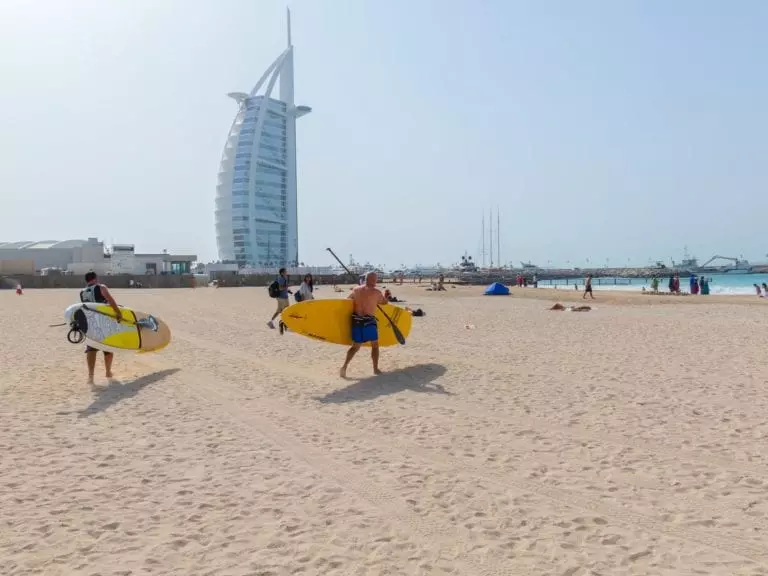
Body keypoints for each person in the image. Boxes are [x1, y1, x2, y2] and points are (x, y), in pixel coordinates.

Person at [340, 271, 388, 378]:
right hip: (369, 322)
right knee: (375, 346)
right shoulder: (376, 292)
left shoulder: (356, 290)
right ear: (374, 280)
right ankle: (375, 369)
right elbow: (384, 302)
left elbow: (347, 300)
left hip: (356, 321)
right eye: (376, 279)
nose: (376, 281)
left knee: (355, 347)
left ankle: (344, 367)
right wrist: (386, 296)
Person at [80, 271, 122, 385]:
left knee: (91, 349)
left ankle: (90, 376)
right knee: (108, 347)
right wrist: (118, 312)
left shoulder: (82, 292)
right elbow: (110, 299)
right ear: (95, 278)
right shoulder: (101, 287)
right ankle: (108, 372)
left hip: (91, 324)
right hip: (103, 322)